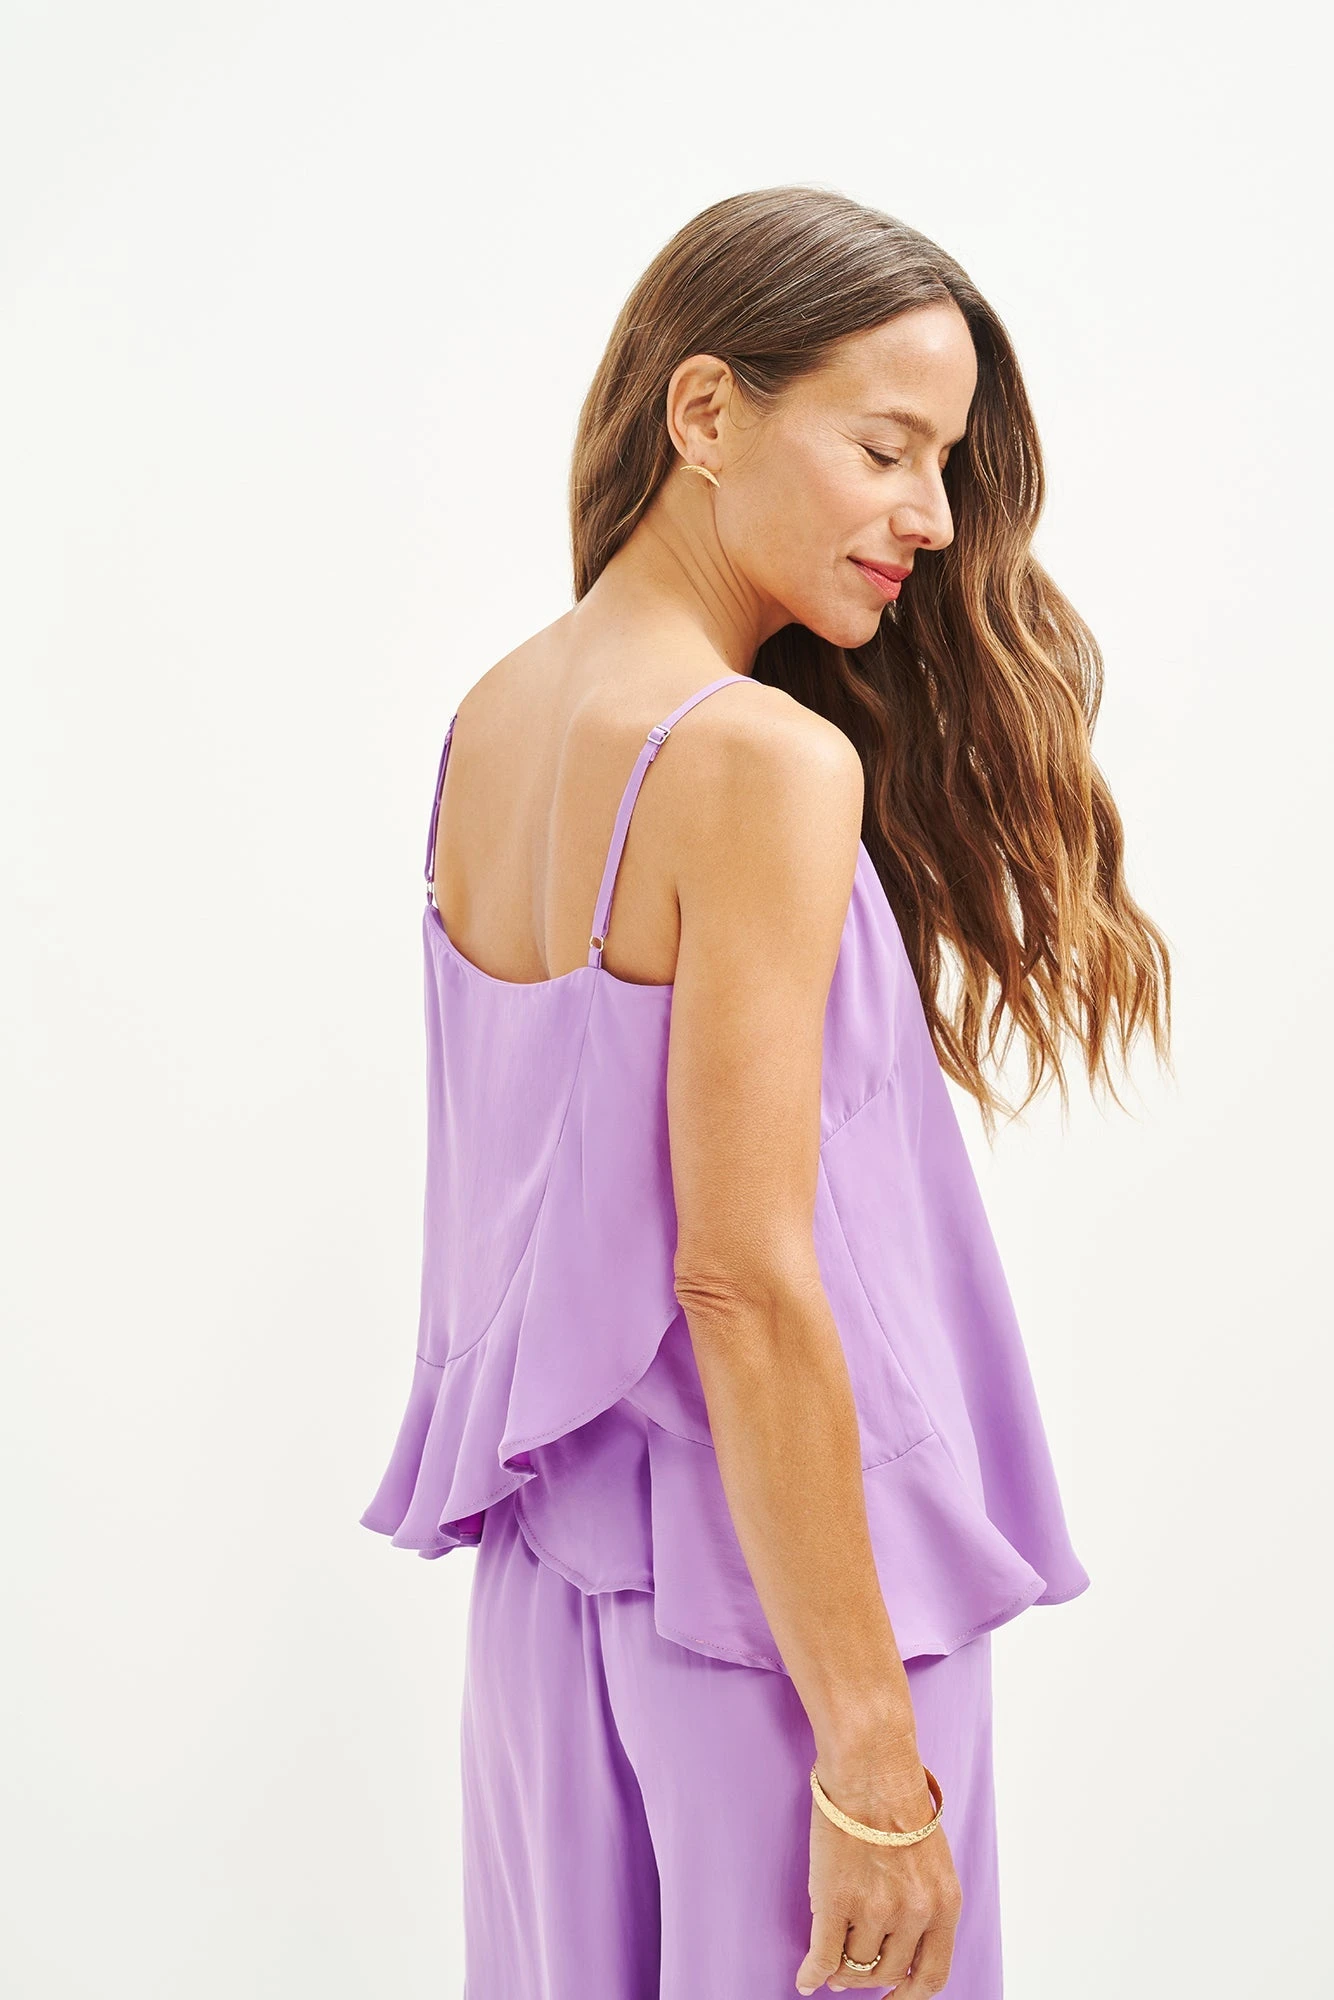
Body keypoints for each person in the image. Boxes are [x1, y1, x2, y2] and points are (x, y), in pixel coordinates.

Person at [359, 185, 1171, 1999]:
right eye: (886, 450)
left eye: (943, 463)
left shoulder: (495, 720)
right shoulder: (758, 762)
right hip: (785, 1618)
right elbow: (735, 1276)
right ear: (707, 412)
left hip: (556, 1611)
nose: (931, 517)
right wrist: (872, 1752)